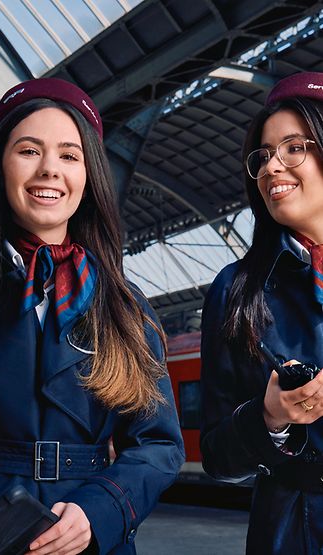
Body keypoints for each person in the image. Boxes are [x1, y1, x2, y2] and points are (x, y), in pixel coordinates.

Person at [0, 77, 184, 555]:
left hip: (89, 536)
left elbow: (159, 444)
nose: (49, 171)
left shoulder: (125, 307)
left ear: (88, 176)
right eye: (28, 151)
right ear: (0, 168)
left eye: (69, 155)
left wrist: (100, 509)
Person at [200, 71, 323, 554]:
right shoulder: (235, 290)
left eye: (293, 148)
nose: (273, 167)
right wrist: (269, 417)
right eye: (264, 155)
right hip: (290, 531)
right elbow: (215, 456)